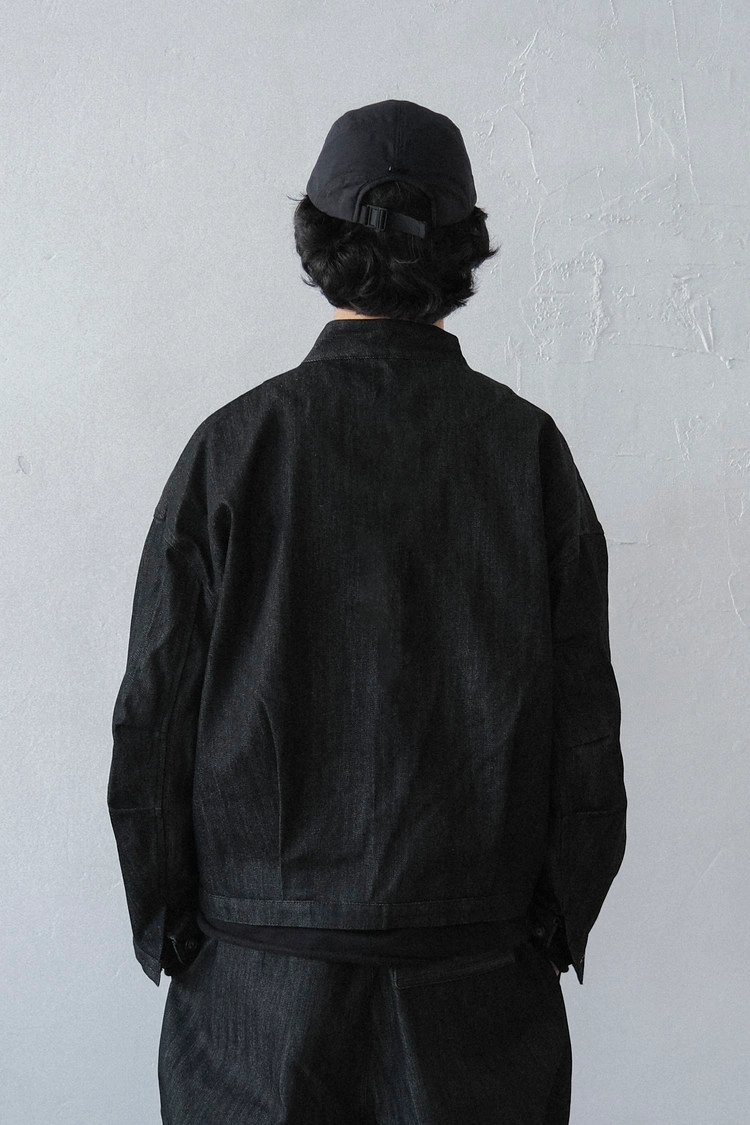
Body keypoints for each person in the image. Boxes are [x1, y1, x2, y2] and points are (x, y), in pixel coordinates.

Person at [108, 99, 627, 1125]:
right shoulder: (526, 450)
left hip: (257, 986)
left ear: (317, 243)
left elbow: (153, 711)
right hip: (477, 983)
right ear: (463, 250)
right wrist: (559, 915)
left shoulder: (235, 446)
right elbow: (585, 722)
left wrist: (167, 920)